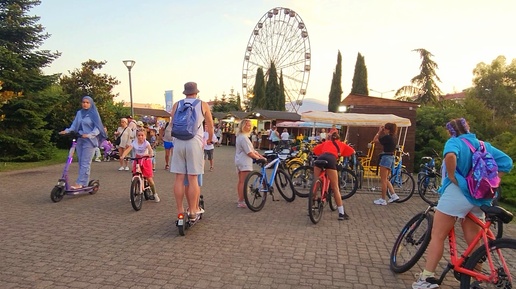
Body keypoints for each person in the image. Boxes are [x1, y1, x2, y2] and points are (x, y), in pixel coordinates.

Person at [412, 118, 513, 289]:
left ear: (450, 131)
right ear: (468, 128)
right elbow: (507, 162)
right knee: (474, 241)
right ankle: (476, 280)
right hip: (480, 197)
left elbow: (450, 156)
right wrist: (491, 180)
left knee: (437, 236)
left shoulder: (454, 142)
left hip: (457, 194)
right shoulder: (483, 145)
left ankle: (426, 278)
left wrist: (452, 176)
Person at [170, 82, 214, 220]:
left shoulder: (177, 104)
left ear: (185, 92)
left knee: (179, 177)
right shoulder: (203, 104)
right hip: (194, 142)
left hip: (178, 142)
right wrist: (209, 139)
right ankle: (194, 210)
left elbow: (172, 124)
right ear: (196, 92)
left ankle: (179, 210)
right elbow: (210, 126)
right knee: (193, 178)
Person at [59, 96, 107, 189]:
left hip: (90, 141)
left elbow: (98, 128)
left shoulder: (94, 114)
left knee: (85, 162)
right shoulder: (79, 113)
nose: (85, 104)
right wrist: (67, 131)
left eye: (87, 102)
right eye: (83, 102)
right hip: (80, 139)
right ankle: (84, 182)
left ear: (91, 104)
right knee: (81, 162)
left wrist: (90, 134)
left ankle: (80, 183)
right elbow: (74, 125)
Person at [312, 131, 355, 220]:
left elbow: (315, 150)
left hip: (320, 159)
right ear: (339, 138)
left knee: (315, 183)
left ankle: (311, 205)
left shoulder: (326, 143)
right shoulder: (341, 144)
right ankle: (341, 213)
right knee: (335, 187)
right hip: (331, 160)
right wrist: (340, 153)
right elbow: (352, 151)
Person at [120, 129, 160, 202]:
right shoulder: (134, 142)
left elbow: (150, 150)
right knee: (135, 175)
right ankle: (133, 193)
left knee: (149, 178)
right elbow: (128, 149)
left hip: (145, 159)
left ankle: (155, 194)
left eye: (142, 135)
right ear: (136, 136)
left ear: (145, 136)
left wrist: (150, 154)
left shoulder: (146, 143)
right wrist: (123, 155)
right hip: (137, 159)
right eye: (139, 135)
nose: (140, 137)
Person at [235, 119, 267, 208]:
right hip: (244, 161)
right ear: (242, 126)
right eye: (247, 125)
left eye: (250, 125)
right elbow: (249, 152)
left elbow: (252, 150)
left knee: (241, 181)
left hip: (239, 160)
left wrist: (259, 156)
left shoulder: (240, 136)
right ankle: (241, 201)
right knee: (243, 182)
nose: (249, 127)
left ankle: (240, 198)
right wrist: (258, 158)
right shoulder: (244, 138)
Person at [372, 122, 398, 205]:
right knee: (386, 178)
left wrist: (379, 132)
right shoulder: (394, 137)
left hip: (386, 157)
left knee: (383, 180)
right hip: (391, 158)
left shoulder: (387, 137)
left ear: (388, 129)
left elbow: (374, 140)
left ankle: (383, 199)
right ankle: (393, 195)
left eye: (385, 129)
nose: (384, 130)